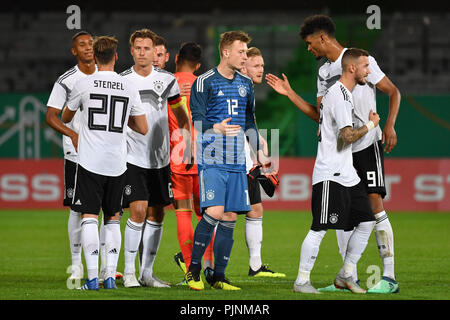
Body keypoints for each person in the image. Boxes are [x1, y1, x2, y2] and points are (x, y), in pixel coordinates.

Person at [266, 14, 400, 294]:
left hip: (365, 145)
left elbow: (393, 91)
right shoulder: (325, 74)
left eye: (309, 42)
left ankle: (389, 276)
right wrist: (291, 94)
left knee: (373, 208)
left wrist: (387, 125)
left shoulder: (361, 61)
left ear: (322, 37)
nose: (308, 48)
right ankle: (347, 275)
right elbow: (322, 117)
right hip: (342, 152)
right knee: (346, 214)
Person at [61, 35, 148, 290]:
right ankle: (110, 276)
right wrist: (122, 121)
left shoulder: (84, 84)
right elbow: (142, 127)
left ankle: (91, 279)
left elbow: (66, 116)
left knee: (89, 216)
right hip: (118, 162)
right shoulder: (128, 86)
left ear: (95, 57)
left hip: (89, 162)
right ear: (116, 56)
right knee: (112, 218)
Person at [185, 30, 266, 291]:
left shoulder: (246, 84)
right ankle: (193, 271)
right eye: (241, 52)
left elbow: (249, 121)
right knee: (215, 212)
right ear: (225, 52)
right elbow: (195, 118)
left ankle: (219, 277)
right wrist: (214, 128)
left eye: (246, 52)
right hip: (212, 157)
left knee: (230, 215)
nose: (245, 57)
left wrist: (258, 150)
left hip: (237, 160)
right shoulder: (204, 81)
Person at [293, 48, 379, 294]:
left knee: (366, 221)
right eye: (365, 66)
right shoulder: (340, 96)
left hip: (347, 174)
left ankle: (346, 274)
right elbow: (348, 135)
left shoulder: (345, 94)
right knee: (319, 228)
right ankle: (301, 281)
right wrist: (371, 125)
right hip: (331, 174)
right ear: (351, 68)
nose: (368, 71)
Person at [120, 29, 192, 288]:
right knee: (138, 210)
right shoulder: (122, 80)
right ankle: (128, 273)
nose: (142, 53)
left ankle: (146, 273)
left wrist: (187, 140)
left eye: (147, 48)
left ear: (154, 51)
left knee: (158, 214)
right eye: (138, 48)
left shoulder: (167, 80)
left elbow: (179, 112)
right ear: (132, 51)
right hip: (132, 157)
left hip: (160, 159)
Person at [46, 31, 97, 281]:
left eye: (91, 43)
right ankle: (77, 265)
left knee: (105, 210)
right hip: (77, 154)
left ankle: (102, 267)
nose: (88, 47)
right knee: (77, 211)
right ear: (74, 51)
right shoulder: (67, 80)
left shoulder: (107, 76)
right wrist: (72, 134)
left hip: (104, 153)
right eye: (82, 45)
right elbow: (51, 116)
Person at [168, 42, 216, 282]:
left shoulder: (166, 82)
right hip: (206, 158)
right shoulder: (206, 84)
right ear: (198, 65)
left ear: (176, 57)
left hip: (179, 157)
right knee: (206, 215)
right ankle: (209, 265)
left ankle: (190, 270)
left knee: (183, 214)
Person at [240, 47, 285, 278]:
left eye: (263, 65)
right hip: (233, 159)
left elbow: (248, 123)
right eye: (256, 65)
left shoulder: (246, 88)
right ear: (244, 65)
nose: (261, 69)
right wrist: (258, 152)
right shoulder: (239, 86)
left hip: (245, 158)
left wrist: (259, 145)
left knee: (255, 209)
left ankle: (255, 266)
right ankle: (195, 262)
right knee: (220, 214)